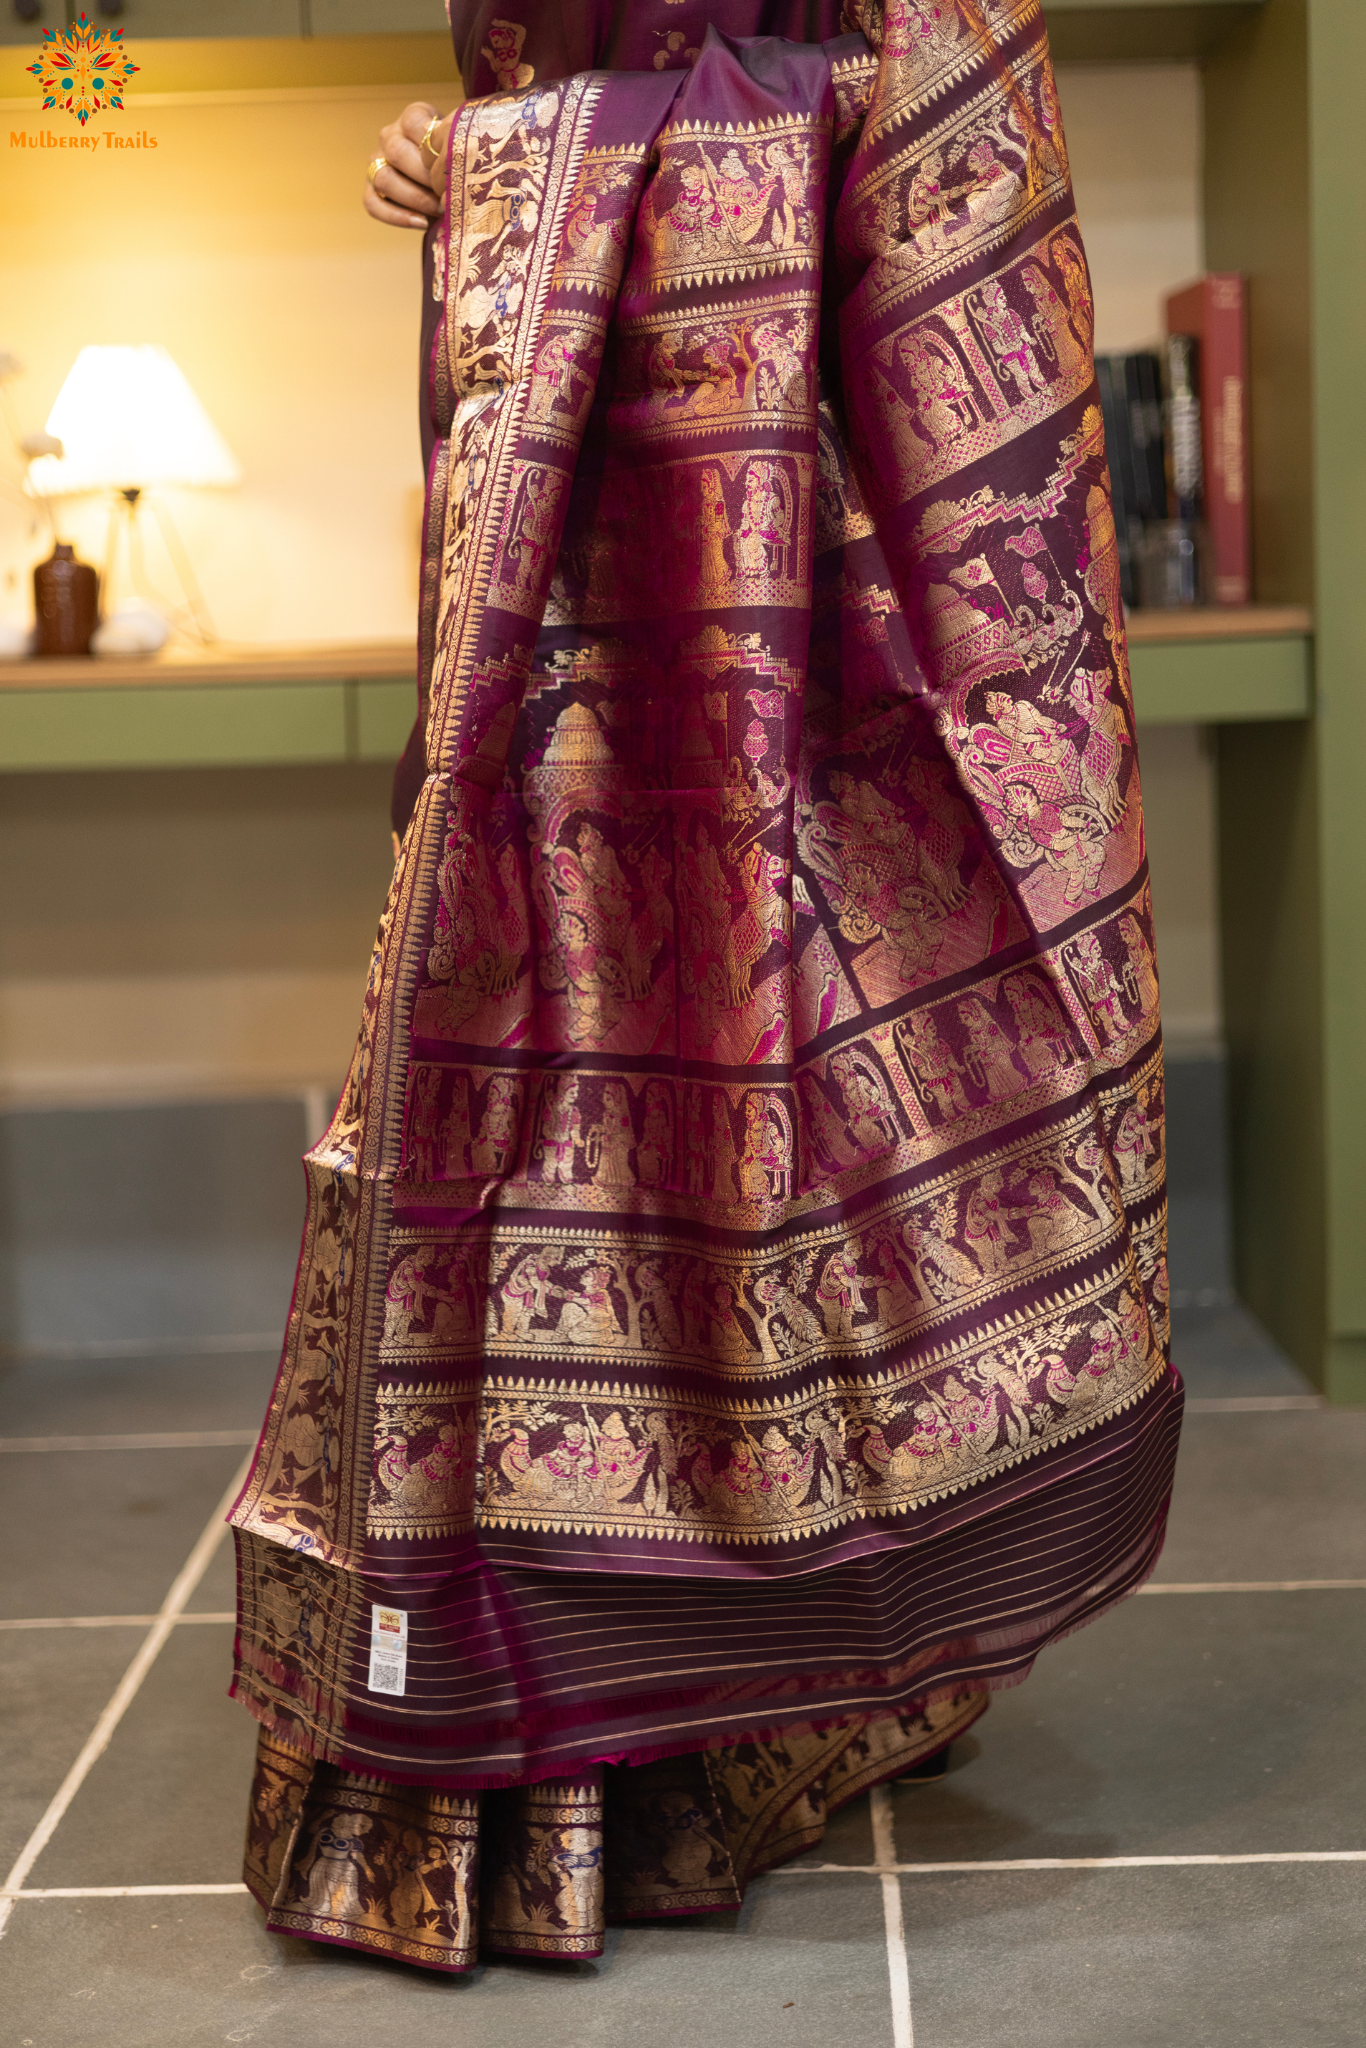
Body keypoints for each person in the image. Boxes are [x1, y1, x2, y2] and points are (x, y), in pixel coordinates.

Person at [232, 0, 1181, 1976]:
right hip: (571, 566)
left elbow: (940, 107)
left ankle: (775, 1689)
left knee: (786, 1078)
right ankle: (548, 1738)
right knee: (540, 1063)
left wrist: (552, 161)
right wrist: (489, 153)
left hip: (803, 583)